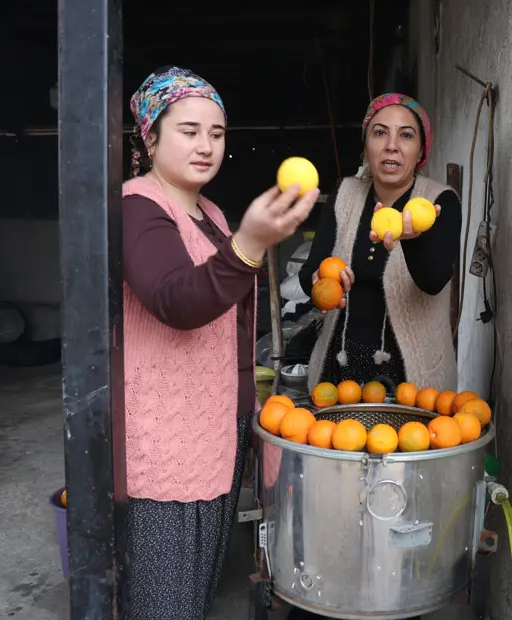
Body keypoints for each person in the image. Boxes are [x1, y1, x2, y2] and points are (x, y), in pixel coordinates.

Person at [120, 66, 318, 620]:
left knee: (197, 592)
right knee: (166, 605)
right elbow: (177, 302)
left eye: (217, 131)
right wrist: (251, 243)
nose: (206, 145)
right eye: (189, 130)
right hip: (165, 442)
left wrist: (245, 415)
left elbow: (227, 325)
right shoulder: (137, 206)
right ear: (150, 136)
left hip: (216, 433)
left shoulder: (209, 213)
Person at [299, 93, 461, 397]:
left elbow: (434, 280)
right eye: (380, 132)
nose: (392, 145)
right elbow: (310, 271)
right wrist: (320, 285)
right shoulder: (344, 194)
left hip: (414, 375)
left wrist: (413, 241)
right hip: (341, 368)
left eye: (406, 135)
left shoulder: (440, 201)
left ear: (421, 150)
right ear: (365, 146)